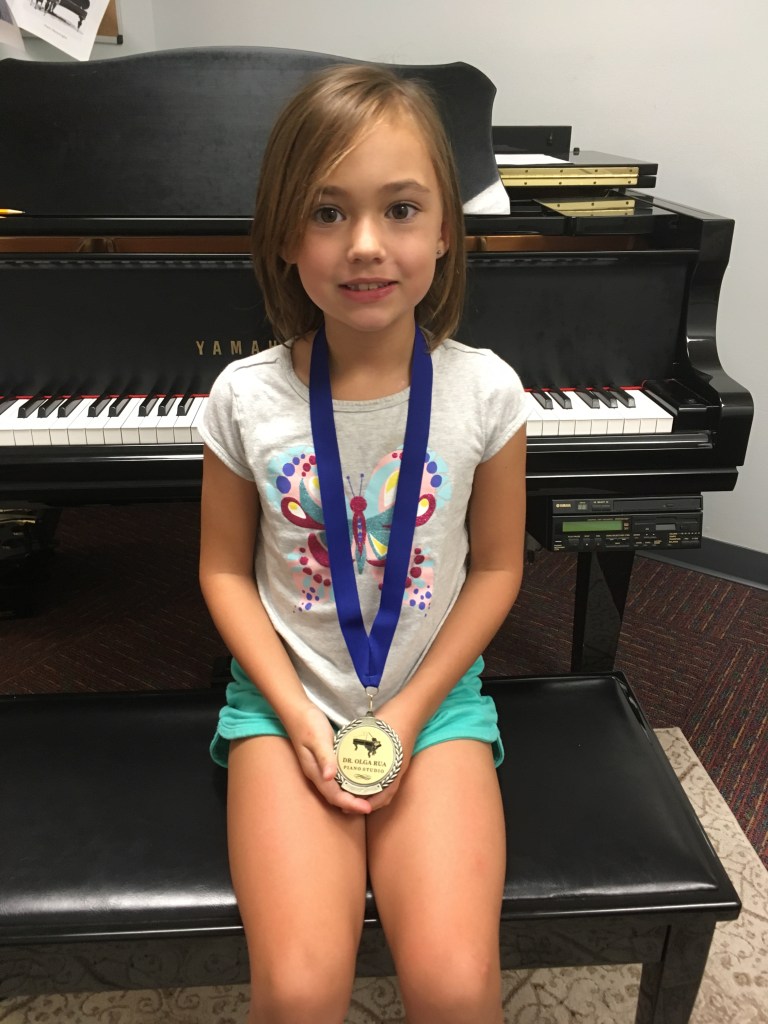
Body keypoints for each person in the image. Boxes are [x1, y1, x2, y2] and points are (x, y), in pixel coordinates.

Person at [198, 63, 527, 1024]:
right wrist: (301, 720)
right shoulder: (244, 398)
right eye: (328, 212)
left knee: (457, 990)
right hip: (283, 706)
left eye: (402, 209)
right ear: (284, 234)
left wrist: (412, 712)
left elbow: (499, 567)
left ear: (446, 230)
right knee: (299, 992)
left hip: (435, 702)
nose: (367, 244)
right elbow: (221, 570)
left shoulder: (487, 393)